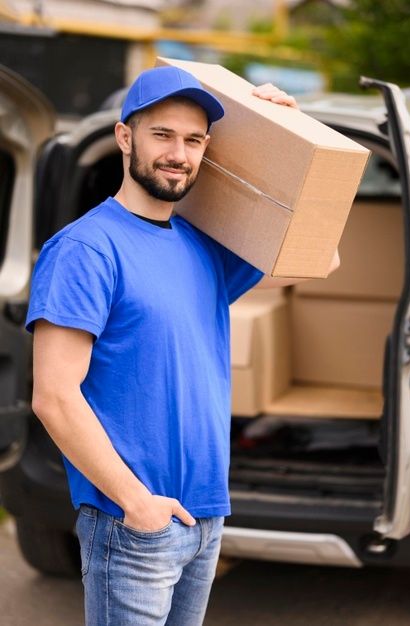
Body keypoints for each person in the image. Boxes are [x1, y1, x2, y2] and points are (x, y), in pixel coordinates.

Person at [26, 65, 340, 626]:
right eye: (163, 135)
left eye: (194, 140)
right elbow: (54, 395)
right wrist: (136, 504)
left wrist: (289, 130)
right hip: (131, 522)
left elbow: (322, 258)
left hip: (203, 518)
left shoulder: (203, 247)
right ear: (126, 138)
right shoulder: (85, 249)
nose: (179, 153)